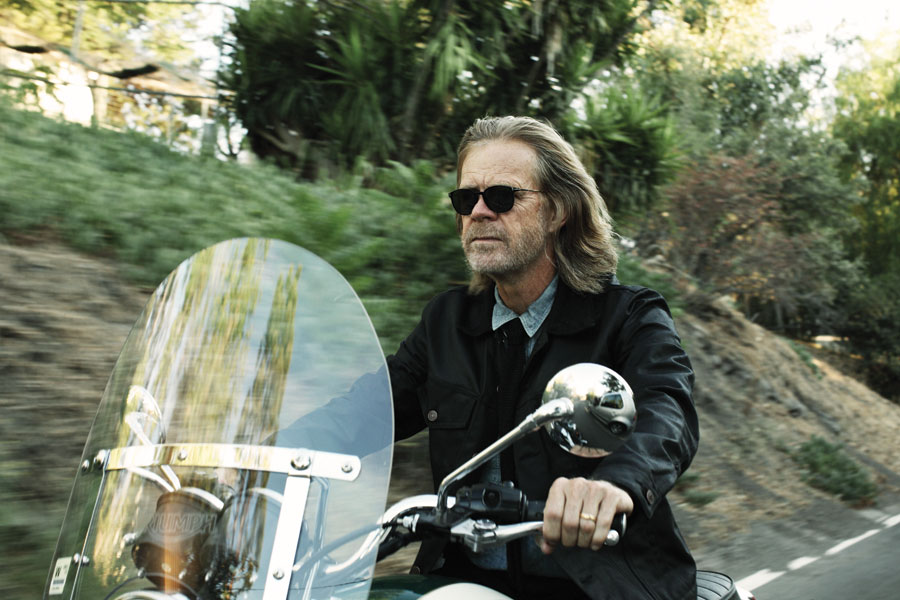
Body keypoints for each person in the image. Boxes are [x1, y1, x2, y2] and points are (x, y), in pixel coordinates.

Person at [387, 116, 699, 600]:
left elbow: (666, 409)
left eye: (502, 197)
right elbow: (370, 408)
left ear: (557, 212)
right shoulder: (446, 322)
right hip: (463, 580)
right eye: (467, 199)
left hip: (600, 585)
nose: (479, 212)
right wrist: (275, 439)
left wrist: (615, 485)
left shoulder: (628, 317)